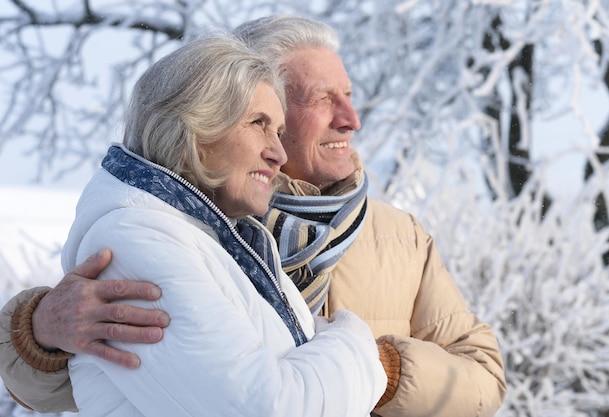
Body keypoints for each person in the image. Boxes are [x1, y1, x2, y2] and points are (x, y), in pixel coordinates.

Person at [0, 15, 507, 417]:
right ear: (219, 109)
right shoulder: (191, 225)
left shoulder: (399, 238)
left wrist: (387, 370)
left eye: (349, 97)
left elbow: (485, 376)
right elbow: (96, 378)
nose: (350, 120)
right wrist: (37, 332)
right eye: (323, 99)